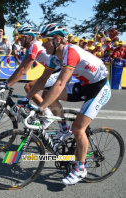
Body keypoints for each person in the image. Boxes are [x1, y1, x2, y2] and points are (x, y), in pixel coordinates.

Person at [26, 23, 110, 185]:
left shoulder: (70, 52)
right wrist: (26, 99)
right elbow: (43, 80)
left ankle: (80, 168)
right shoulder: (55, 57)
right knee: (46, 93)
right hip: (85, 86)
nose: (42, 44)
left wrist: (41, 108)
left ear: (58, 39)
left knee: (78, 128)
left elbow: (59, 84)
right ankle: (64, 128)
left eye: (45, 40)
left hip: (99, 88)